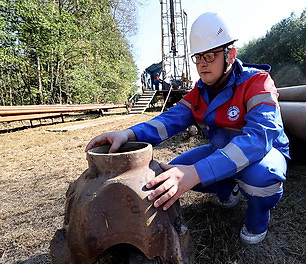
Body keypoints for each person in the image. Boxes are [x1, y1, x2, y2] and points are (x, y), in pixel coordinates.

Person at [85, 12, 289, 244]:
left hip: (264, 155)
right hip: (221, 151)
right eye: (198, 57)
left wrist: (196, 173)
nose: (202, 64)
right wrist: (128, 134)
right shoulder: (200, 91)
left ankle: (257, 220)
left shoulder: (257, 82)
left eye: (210, 56)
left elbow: (258, 140)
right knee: (165, 173)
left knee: (262, 178)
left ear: (230, 55)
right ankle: (228, 190)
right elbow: (169, 120)